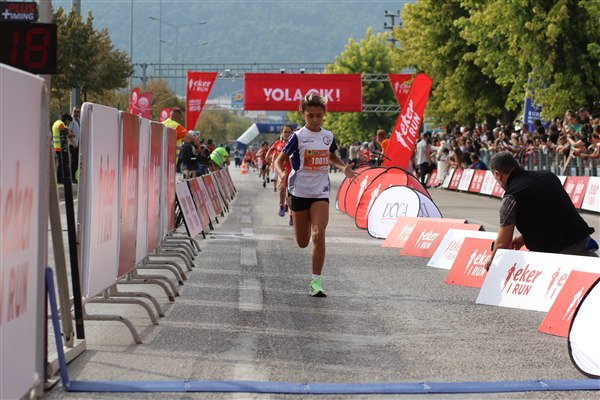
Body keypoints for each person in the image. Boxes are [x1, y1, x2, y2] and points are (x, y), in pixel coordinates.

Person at [274, 93, 358, 297]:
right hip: (299, 191)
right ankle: (299, 217)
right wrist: (282, 174)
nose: (314, 120)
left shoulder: (328, 136)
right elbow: (279, 160)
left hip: (320, 191)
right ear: (302, 114)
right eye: (310, 115)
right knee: (303, 242)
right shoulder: (297, 136)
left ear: (324, 114)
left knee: (319, 235)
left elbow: (331, 156)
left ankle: (316, 283)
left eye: (319, 115)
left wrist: (343, 167)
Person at [485, 152, 598, 270]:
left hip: (556, 257)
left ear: (497, 174)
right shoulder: (548, 176)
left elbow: (503, 242)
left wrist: (491, 260)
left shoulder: (510, 197)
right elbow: (553, 212)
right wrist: (524, 237)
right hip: (582, 242)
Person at [266, 125, 294, 221]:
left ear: (292, 133)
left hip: (292, 170)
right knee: (282, 187)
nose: (287, 134)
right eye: (285, 132)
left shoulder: (295, 143)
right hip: (281, 170)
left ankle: (291, 216)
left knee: (291, 194)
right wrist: (270, 160)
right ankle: (282, 205)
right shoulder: (277, 143)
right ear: (281, 133)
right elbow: (269, 153)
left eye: (289, 132)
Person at [52, 113, 75, 184]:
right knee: (62, 164)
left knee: (60, 163)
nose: (68, 124)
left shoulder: (56, 122)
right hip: (61, 147)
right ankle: (60, 179)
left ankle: (59, 178)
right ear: (66, 119)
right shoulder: (61, 124)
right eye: (69, 122)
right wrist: (72, 134)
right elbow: (67, 134)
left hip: (57, 146)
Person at [68, 106, 81, 183]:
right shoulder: (71, 121)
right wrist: (73, 143)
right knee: (74, 161)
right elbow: (69, 132)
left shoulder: (79, 120)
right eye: (75, 111)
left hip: (78, 144)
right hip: (73, 145)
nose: (76, 113)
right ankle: (72, 178)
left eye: (77, 112)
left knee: (77, 161)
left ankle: (75, 177)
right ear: (72, 111)